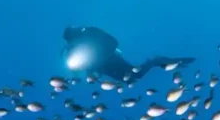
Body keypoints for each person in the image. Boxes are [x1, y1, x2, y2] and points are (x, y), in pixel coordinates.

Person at [62, 25, 194, 84]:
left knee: (136, 75)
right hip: (103, 68)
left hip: (111, 59)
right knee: (131, 79)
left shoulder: (90, 34)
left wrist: (102, 54)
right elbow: (78, 66)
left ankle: (157, 60)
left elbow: (113, 42)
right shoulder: (73, 49)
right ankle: (159, 62)